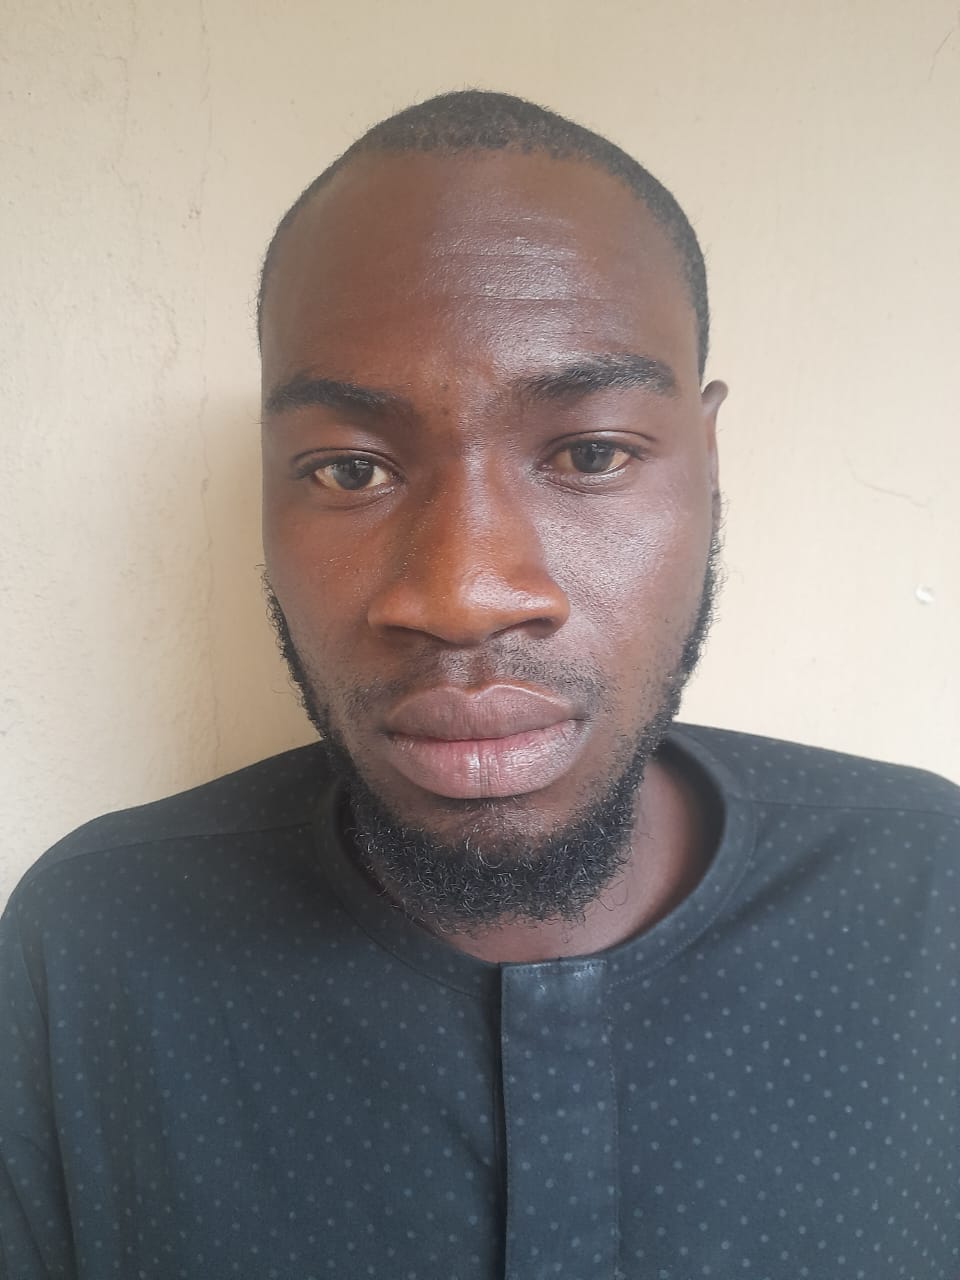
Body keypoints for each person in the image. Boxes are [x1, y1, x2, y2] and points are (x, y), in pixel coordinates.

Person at [1, 90, 957, 1280]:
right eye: (350, 469)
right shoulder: (91, 946)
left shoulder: (933, 900)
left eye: (591, 453)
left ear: (708, 465)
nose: (462, 593)